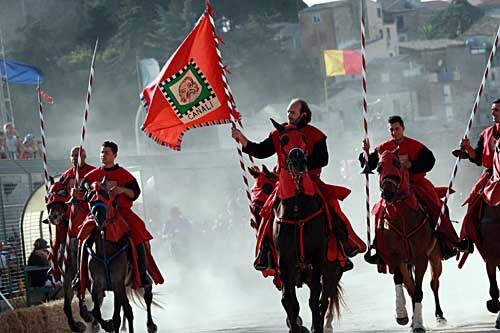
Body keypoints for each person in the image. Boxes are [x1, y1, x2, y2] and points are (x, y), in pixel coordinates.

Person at [232, 98, 365, 272]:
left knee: (332, 206)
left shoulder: (316, 135)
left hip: (311, 180)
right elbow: (261, 151)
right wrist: (242, 139)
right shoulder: (279, 133)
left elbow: (322, 159)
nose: (289, 115)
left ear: (304, 115)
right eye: (288, 112)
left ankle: (344, 244)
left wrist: (300, 163)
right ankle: (265, 252)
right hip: (285, 184)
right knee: (266, 212)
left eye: (293, 112)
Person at [360, 115, 471, 264]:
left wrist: (412, 165)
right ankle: (378, 246)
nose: (394, 133)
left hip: (416, 183)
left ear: (403, 129)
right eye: (391, 130)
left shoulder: (414, 145)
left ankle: (452, 241)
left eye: (397, 129)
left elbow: (430, 161)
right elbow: (369, 164)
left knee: (436, 206)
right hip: (394, 189)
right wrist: (365, 153)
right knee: (379, 211)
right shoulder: (383, 148)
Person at [76, 141, 162, 287]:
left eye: (106, 153)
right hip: (99, 212)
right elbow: (83, 186)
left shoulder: (124, 174)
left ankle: (142, 273)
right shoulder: (94, 174)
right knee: (82, 236)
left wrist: (121, 190)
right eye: (101, 152)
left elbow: (135, 192)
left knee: (138, 233)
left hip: (122, 212)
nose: (103, 155)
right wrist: (84, 189)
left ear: (114, 155)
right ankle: (80, 277)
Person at [456, 99, 500, 253]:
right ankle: (468, 238)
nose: (493, 113)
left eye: (497, 110)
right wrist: (468, 148)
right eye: (493, 110)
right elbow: (478, 158)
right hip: (491, 174)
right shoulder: (486, 133)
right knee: (473, 200)